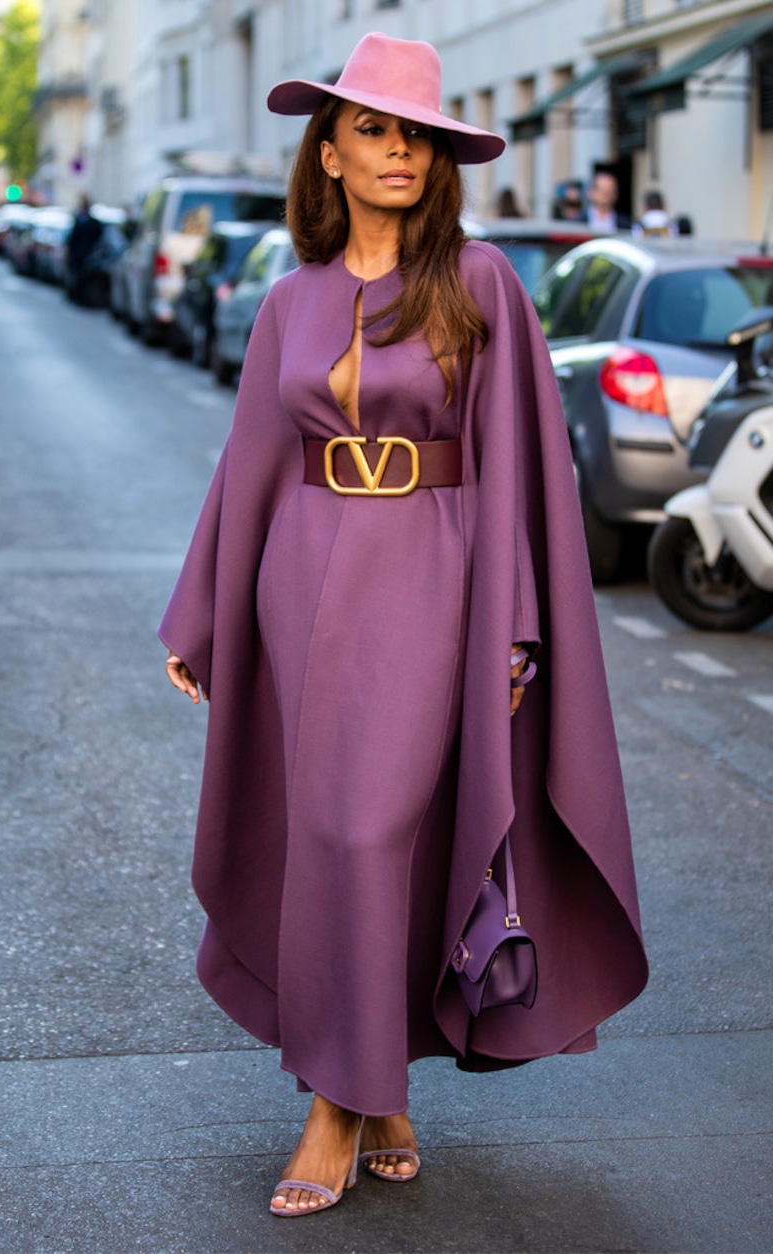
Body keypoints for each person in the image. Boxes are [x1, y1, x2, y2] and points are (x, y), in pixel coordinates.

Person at [159, 32, 647, 1219]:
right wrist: (199, 616)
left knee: (369, 826)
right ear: (326, 152)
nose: (395, 151)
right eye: (371, 129)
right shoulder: (285, 300)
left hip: (433, 576)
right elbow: (251, 469)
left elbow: (523, 471)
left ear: (439, 161)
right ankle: (372, 1092)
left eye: (415, 135)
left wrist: (518, 629)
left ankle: (331, 1104)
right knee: (327, 830)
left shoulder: (481, 283)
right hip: (299, 579)